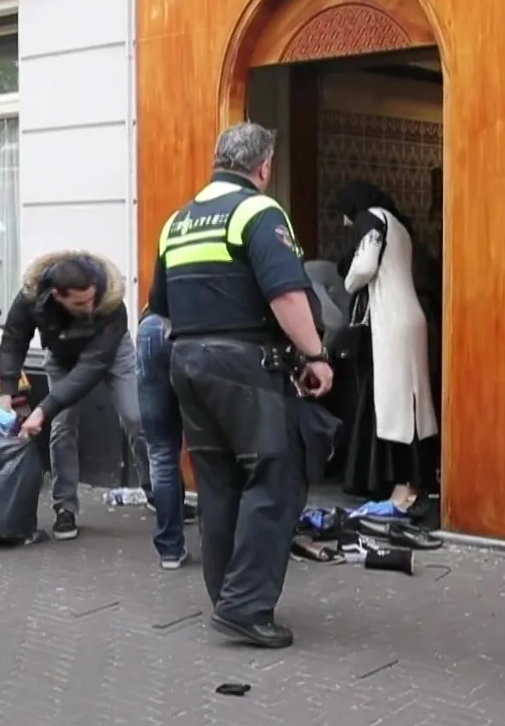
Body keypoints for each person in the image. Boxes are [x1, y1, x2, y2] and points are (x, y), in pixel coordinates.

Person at [149, 121, 332, 649]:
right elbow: (286, 296)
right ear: (264, 167)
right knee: (273, 478)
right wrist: (316, 355)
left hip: (186, 361)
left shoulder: (177, 222)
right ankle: (247, 606)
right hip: (244, 365)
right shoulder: (258, 211)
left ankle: (227, 596)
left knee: (218, 481)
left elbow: (160, 310)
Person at [0, 250, 146, 541]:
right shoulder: (31, 299)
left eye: (92, 299)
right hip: (62, 357)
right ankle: (65, 508)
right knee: (63, 427)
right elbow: (13, 342)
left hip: (110, 355)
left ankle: (158, 492)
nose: (90, 308)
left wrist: (42, 409)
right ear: (57, 296)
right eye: (79, 303)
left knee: (136, 417)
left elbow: (92, 367)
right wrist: (6, 394)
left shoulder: (112, 304)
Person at [334, 182, 438, 507]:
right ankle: (415, 483)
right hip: (411, 318)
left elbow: (364, 266)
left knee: (393, 409)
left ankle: (401, 488)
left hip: (389, 322)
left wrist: (348, 282)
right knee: (412, 407)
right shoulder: (398, 225)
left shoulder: (370, 218)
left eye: (344, 215)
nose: (344, 223)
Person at [136, 304, 190, 569]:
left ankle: (170, 549)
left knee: (161, 450)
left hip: (152, 324)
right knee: (212, 449)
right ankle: (221, 547)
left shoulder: (166, 260)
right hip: (198, 328)